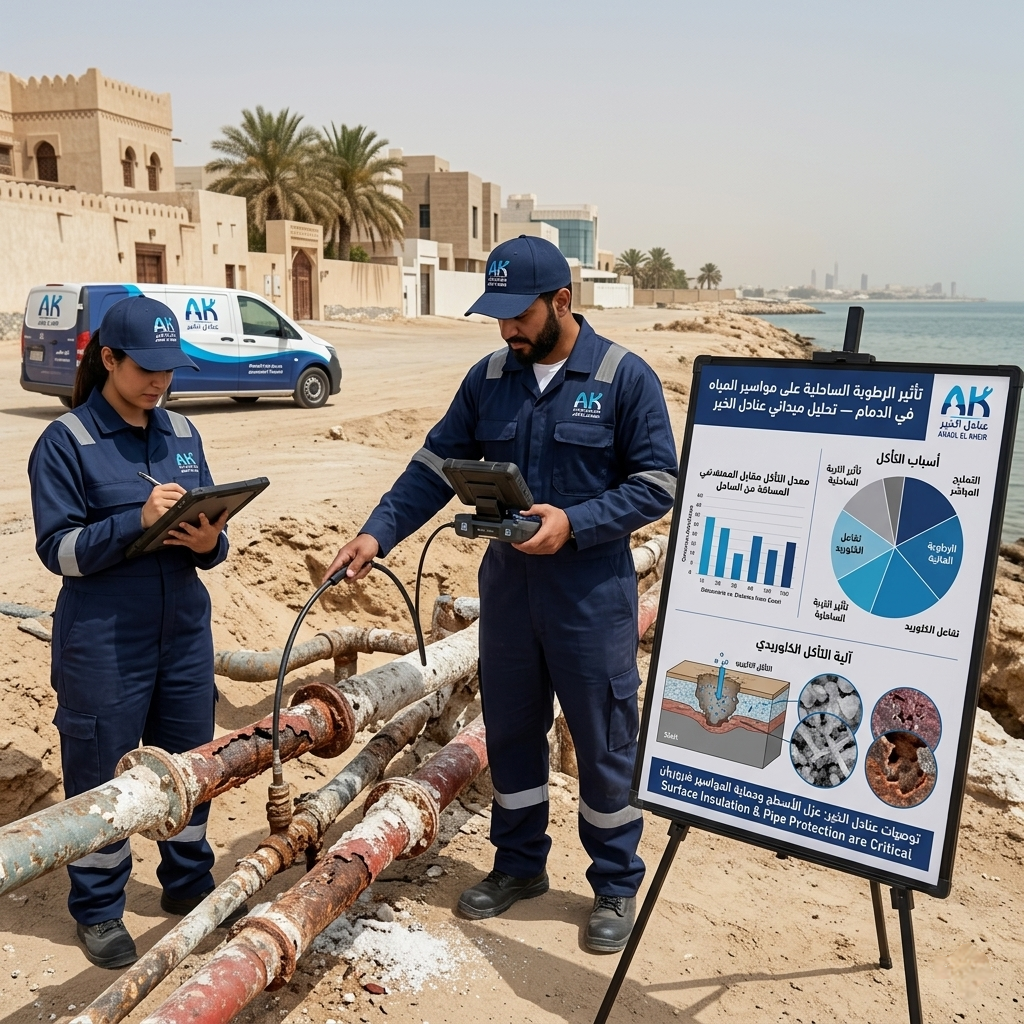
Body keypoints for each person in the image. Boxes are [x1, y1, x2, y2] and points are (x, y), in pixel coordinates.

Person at [324, 236, 677, 952]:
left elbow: (658, 484)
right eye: (498, 316)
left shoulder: (623, 378)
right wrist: (377, 534)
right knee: (512, 734)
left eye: (520, 315)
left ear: (562, 303)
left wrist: (575, 523)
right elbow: (432, 466)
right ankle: (519, 867)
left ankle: (615, 882)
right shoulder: (488, 378)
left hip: (590, 595)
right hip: (511, 595)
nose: (508, 330)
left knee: (606, 740)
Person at [28, 296, 236, 969]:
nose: (159, 382)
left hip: (182, 633)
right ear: (108, 359)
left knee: (190, 764)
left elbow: (211, 536)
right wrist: (133, 520)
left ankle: (187, 885)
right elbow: (57, 550)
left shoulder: (180, 432)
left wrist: (210, 541)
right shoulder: (67, 442)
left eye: (169, 370)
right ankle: (97, 909)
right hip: (103, 639)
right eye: (145, 368)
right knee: (100, 774)